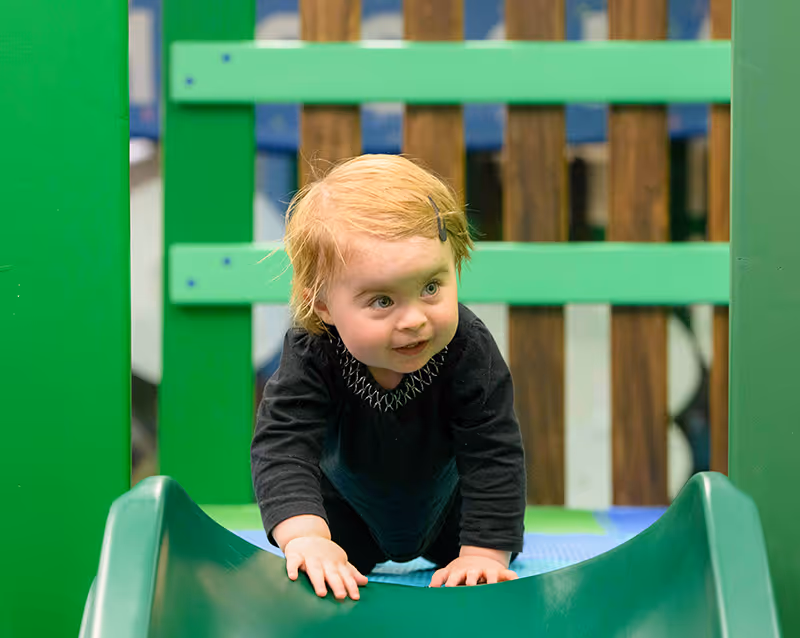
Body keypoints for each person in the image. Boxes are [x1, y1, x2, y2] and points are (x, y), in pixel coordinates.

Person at [251, 154, 526, 601]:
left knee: (484, 564)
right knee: (310, 583)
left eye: (431, 287)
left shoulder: (468, 350)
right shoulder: (314, 351)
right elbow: (283, 444)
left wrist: (485, 553)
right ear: (322, 305)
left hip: (452, 518)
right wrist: (306, 537)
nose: (414, 319)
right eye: (382, 301)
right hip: (343, 520)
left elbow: (493, 451)